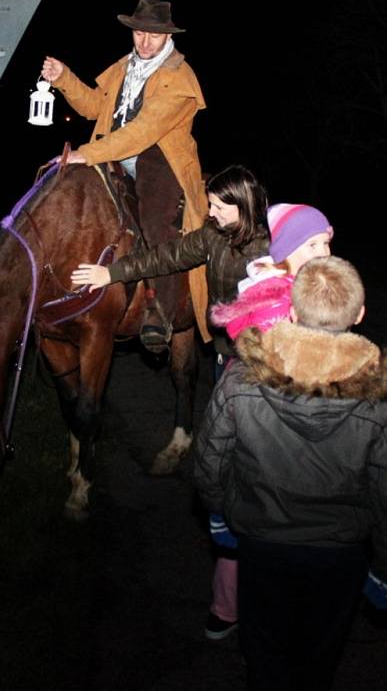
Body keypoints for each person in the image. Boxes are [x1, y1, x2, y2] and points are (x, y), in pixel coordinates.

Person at [71, 163, 270, 641]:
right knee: (230, 462)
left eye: (217, 204)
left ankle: (264, 570)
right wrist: (110, 273)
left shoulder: (268, 250)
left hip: (265, 364)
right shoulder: (212, 237)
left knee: (257, 465)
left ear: (241, 206)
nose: (208, 210)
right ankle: (235, 571)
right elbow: (165, 256)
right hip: (228, 358)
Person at [194, 256, 387, 690]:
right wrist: (384, 568)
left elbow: (209, 460)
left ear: (294, 312)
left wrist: (218, 513)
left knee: (264, 650)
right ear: (359, 315)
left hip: (263, 543)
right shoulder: (378, 397)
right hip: (339, 554)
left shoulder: (241, 378)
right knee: (319, 655)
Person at [42, 0, 209, 350]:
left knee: (156, 218)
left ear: (168, 36)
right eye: (140, 34)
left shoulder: (180, 76)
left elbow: (143, 132)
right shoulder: (123, 67)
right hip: (111, 150)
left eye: (154, 36)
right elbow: (93, 107)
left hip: (159, 155)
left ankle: (160, 311)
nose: (146, 42)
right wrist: (63, 78)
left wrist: (85, 154)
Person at [210, 202, 333, 338]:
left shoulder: (307, 283)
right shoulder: (276, 304)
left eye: (326, 243)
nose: (324, 252)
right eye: (312, 245)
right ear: (287, 250)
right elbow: (270, 355)